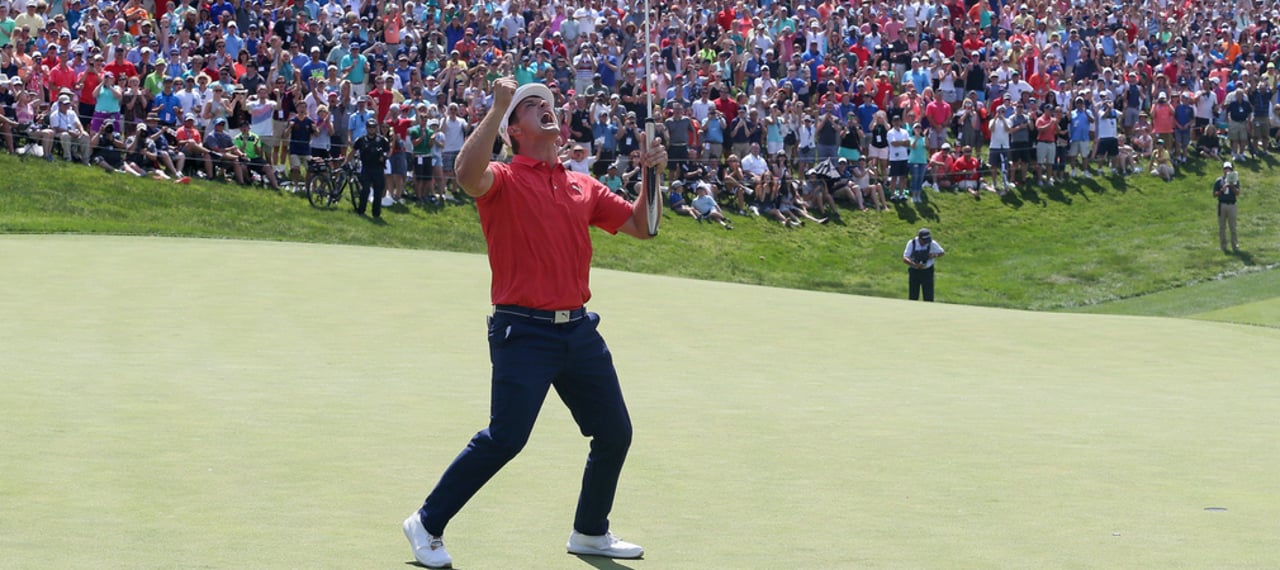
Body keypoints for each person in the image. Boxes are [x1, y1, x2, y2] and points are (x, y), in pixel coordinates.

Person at [403, 78, 665, 569]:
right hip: (522, 331)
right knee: (506, 438)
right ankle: (426, 521)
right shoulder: (502, 178)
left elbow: (643, 227)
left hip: (578, 331)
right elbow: (466, 175)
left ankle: (590, 532)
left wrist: (652, 175)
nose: (547, 107)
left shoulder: (581, 183)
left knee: (614, 433)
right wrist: (498, 105)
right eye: (530, 105)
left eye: (549, 103)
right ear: (514, 131)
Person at [350, 118, 391, 218]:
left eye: (373, 127)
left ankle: (376, 213)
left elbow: (388, 150)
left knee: (378, 191)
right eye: (369, 127)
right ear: (366, 128)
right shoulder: (361, 140)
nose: (371, 129)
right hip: (366, 168)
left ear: (376, 128)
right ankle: (361, 210)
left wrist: (384, 157)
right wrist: (346, 162)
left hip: (378, 168)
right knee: (365, 190)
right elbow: (352, 151)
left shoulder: (382, 140)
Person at [902, 227, 945, 302]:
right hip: (914, 272)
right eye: (924, 241)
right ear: (919, 238)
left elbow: (942, 252)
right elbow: (905, 258)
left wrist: (934, 255)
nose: (926, 242)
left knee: (929, 296)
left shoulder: (932, 243)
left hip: (927, 272)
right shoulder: (912, 243)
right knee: (913, 296)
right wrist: (914, 265)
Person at [1213, 161, 1241, 253]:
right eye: (1226, 168)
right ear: (1223, 170)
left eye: (1229, 169)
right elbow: (1214, 194)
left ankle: (1235, 245)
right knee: (1222, 227)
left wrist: (1232, 186)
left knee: (1233, 227)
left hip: (1232, 205)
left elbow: (1237, 193)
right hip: (1222, 205)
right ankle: (1223, 246)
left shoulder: (1235, 181)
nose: (1227, 170)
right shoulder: (1219, 180)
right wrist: (1222, 190)